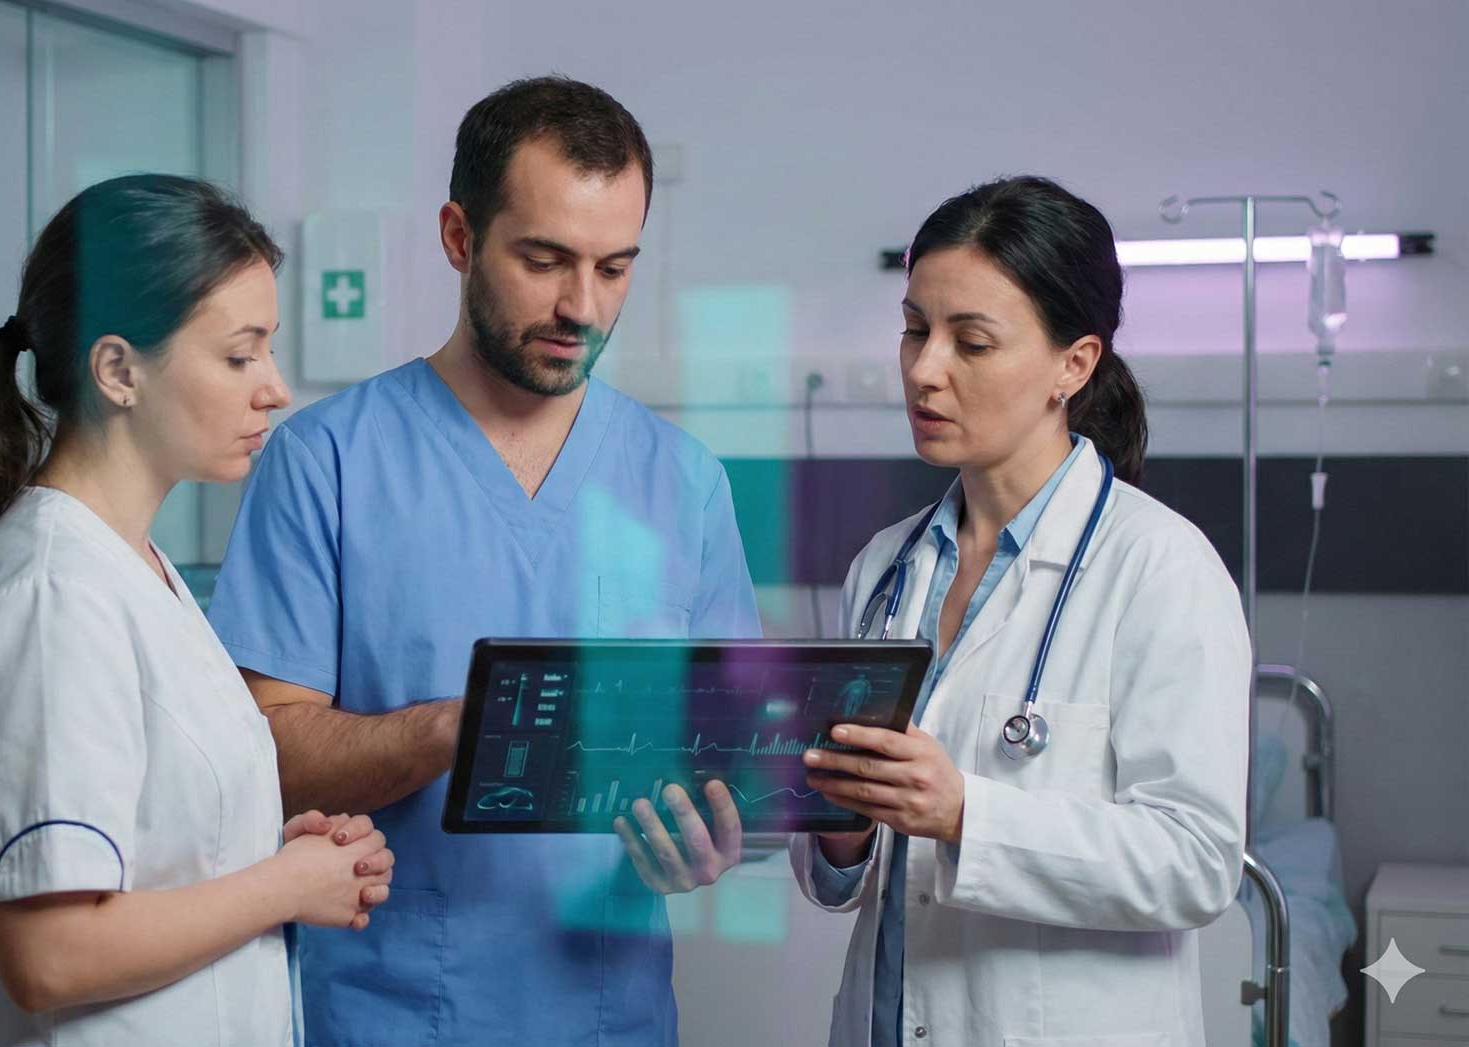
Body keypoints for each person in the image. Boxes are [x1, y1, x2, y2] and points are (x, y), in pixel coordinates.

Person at [207, 76, 762, 1045]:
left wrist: (712, 840)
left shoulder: (684, 481)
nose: (580, 306)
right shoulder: (326, 463)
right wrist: (463, 730)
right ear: (459, 237)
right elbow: (265, 760)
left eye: (615, 267)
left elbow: (731, 762)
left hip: (609, 1015)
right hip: (387, 1012)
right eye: (544, 260)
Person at [0, 174, 395, 1046]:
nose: (273, 387)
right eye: (240, 355)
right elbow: (50, 950)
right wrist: (284, 887)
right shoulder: (54, 595)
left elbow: (139, 840)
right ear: (119, 369)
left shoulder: (136, 566)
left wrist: (271, 848)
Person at [791, 175, 1250, 1046]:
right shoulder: (884, 569)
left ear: (1072, 365)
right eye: (915, 330)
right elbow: (841, 878)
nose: (925, 370)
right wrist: (840, 829)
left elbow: (1197, 864)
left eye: (971, 341)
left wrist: (968, 813)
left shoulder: (1159, 568)